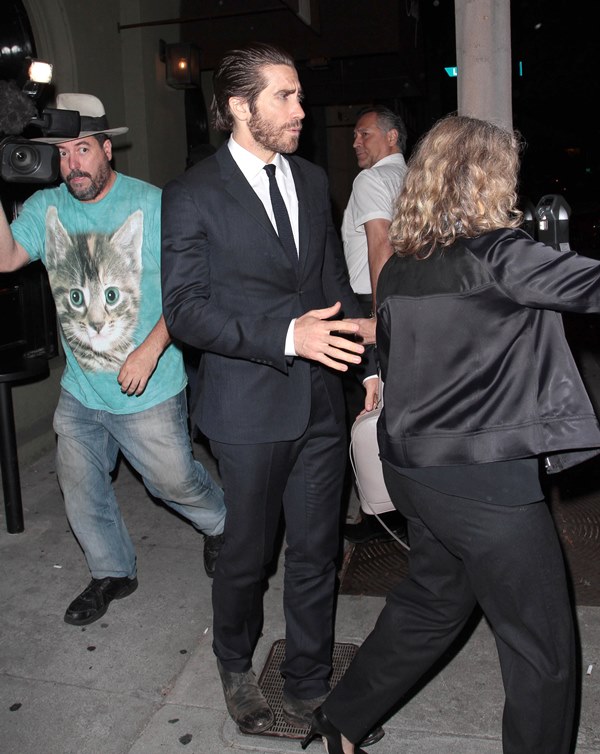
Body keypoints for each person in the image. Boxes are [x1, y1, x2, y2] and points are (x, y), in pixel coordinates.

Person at [303, 114, 600, 754]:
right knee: (542, 650)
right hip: (487, 489)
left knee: (433, 604)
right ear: (488, 180)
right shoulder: (502, 255)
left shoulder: (404, 266)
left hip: (415, 473)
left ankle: (342, 719)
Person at [160, 43, 381, 746]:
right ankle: (234, 665)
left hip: (319, 401)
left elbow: (331, 285)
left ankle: (308, 679)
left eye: (298, 95)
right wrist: (288, 336)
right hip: (247, 409)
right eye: (284, 96)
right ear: (238, 106)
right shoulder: (193, 192)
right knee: (248, 555)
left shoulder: (312, 180)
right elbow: (185, 311)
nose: (300, 110)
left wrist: (366, 364)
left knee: (316, 551)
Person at [0, 93, 226, 627]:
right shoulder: (47, 208)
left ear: (107, 149)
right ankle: (112, 571)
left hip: (148, 386)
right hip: (82, 389)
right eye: (61, 153)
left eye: (82, 149)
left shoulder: (154, 205)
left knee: (172, 481)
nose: (71, 164)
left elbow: (191, 291)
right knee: (79, 485)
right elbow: (6, 259)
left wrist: (150, 350)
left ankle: (220, 525)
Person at [340, 105, 409, 545]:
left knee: (369, 410)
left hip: (374, 301)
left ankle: (380, 515)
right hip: (409, 299)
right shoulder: (415, 178)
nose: (355, 143)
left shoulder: (371, 180)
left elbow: (379, 245)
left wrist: (379, 321)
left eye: (364, 134)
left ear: (392, 137)